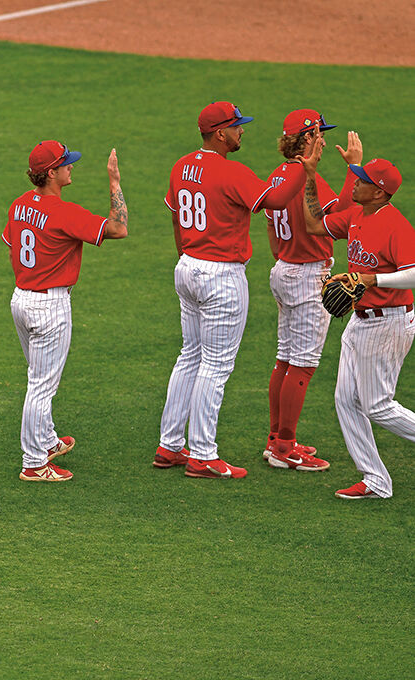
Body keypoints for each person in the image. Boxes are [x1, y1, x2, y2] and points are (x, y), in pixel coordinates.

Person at [156, 101, 307, 479]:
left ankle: (170, 445)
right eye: (237, 127)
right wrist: (301, 165)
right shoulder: (230, 171)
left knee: (190, 354)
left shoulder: (181, 166)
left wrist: (187, 258)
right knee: (215, 365)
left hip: (188, 266)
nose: (243, 131)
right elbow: (273, 198)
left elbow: (176, 215)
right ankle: (203, 454)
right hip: (220, 274)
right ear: (220, 133)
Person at [2, 141, 127, 481]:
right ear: (51, 173)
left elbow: (10, 241)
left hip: (21, 298)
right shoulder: (64, 212)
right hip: (49, 306)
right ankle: (34, 463)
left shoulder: (18, 205)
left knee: (38, 378)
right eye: (66, 164)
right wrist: (114, 182)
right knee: (41, 385)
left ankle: (46, 441)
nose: (72, 167)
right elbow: (118, 228)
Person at [300, 150, 415, 499]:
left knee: (377, 405)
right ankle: (376, 481)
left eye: (362, 179)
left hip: (389, 323)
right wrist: (309, 176)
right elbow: (314, 225)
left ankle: (376, 480)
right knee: (345, 400)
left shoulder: (395, 225)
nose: (356, 182)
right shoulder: (356, 214)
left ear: (379, 191)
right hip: (360, 320)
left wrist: (372, 280)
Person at [261, 110, 362, 471]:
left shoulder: (278, 175)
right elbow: (345, 218)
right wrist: (354, 169)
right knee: (302, 365)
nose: (322, 140)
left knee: (285, 359)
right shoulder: (308, 179)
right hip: (306, 275)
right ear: (307, 138)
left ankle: (277, 439)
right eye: (319, 135)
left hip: (283, 269)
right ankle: (284, 448)